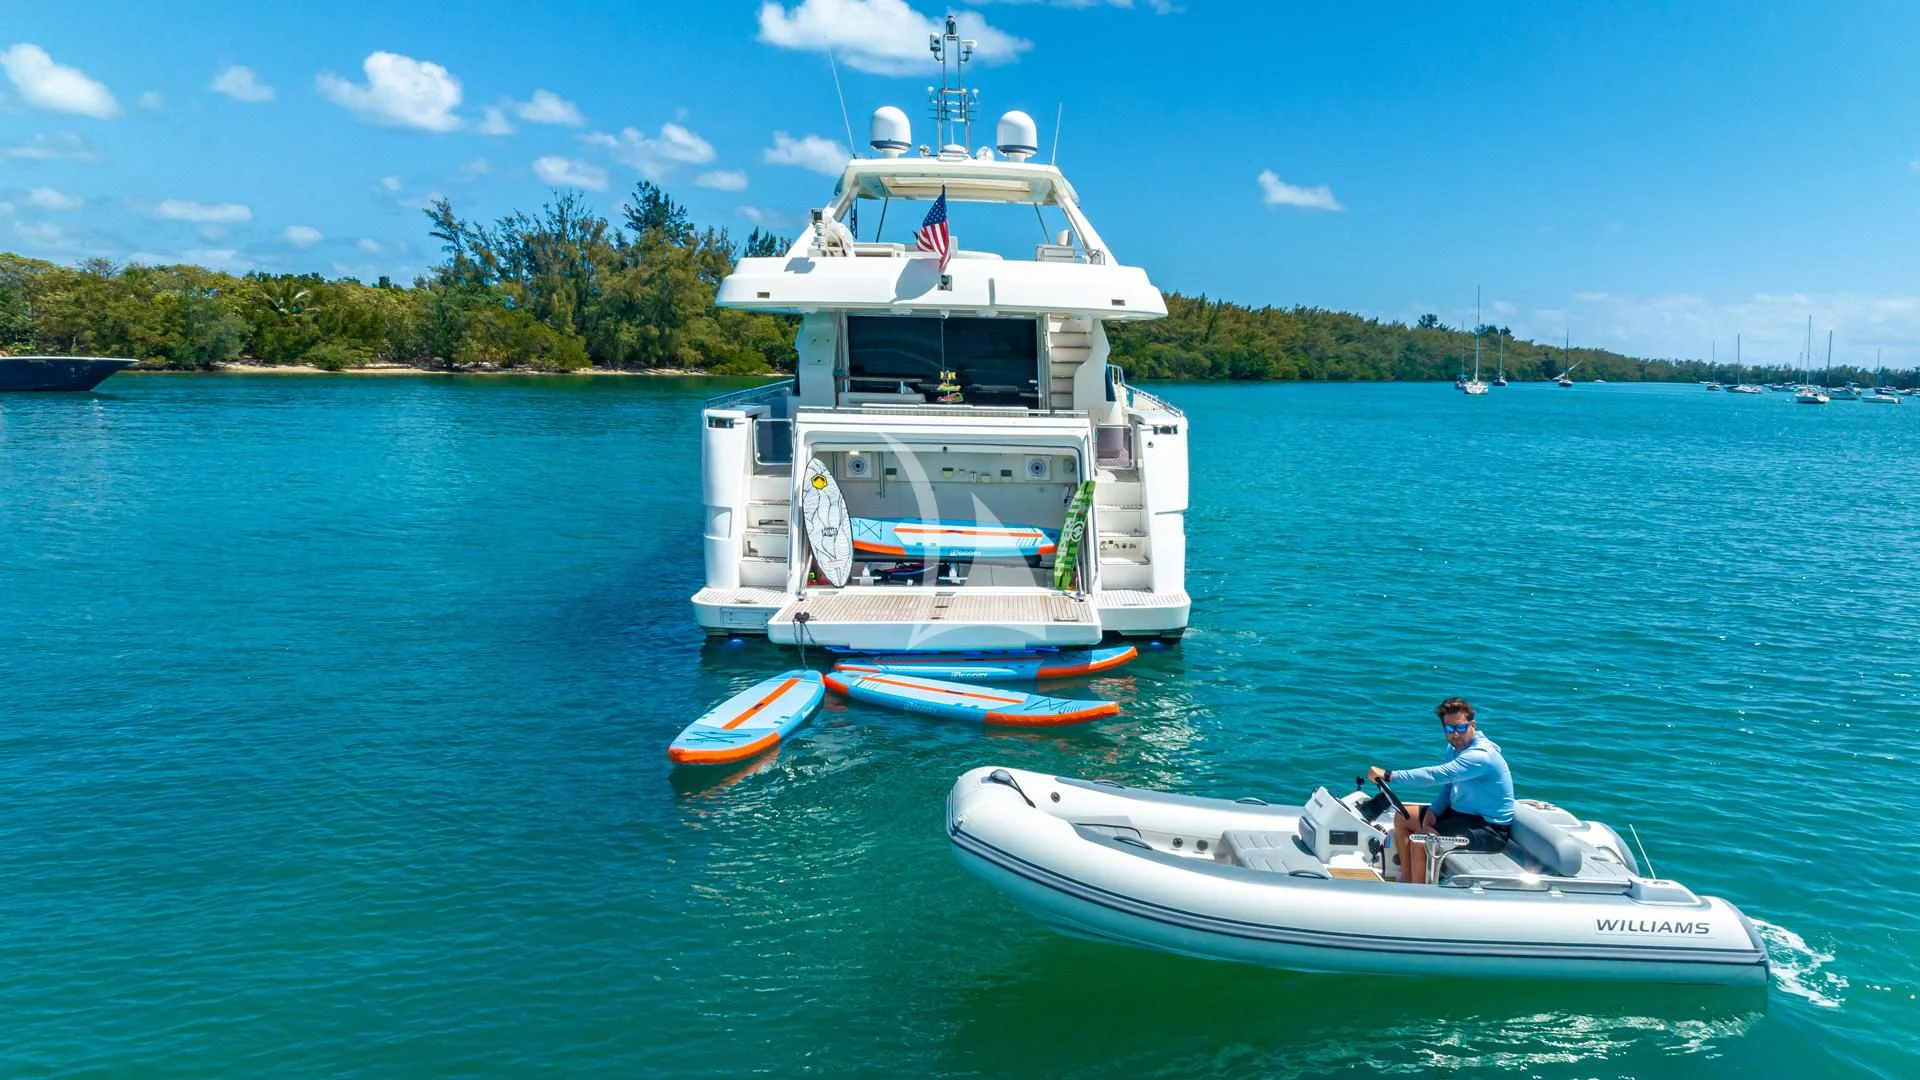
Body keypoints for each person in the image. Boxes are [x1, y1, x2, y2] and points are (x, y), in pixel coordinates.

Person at [1366, 697, 1514, 884]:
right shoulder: (1453, 749)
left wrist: (1389, 775)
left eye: (1461, 728)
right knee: (1403, 817)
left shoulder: (1480, 757)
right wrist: (1435, 810)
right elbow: (1450, 785)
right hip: (1460, 814)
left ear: (1473, 725)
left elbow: (1435, 775)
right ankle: (1406, 881)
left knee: (1422, 841)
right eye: (1449, 729)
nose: (1455, 734)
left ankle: (1418, 893)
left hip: (1488, 828)